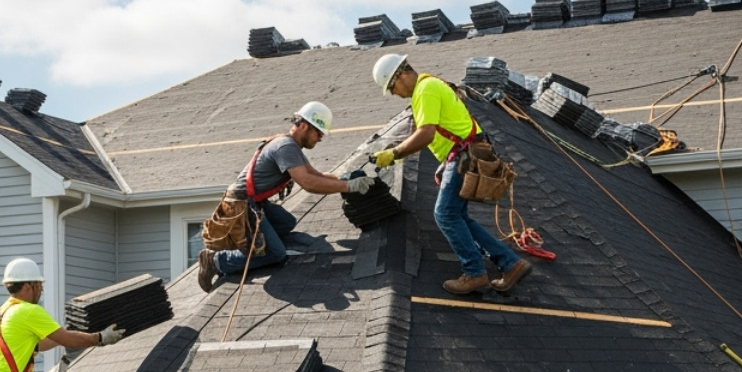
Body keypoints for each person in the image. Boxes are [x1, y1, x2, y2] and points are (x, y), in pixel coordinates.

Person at [369, 53, 531, 296]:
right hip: (464, 154)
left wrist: (394, 153)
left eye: (392, 86)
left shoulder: (425, 90)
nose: (393, 93)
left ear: (402, 74)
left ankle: (475, 273)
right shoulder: (429, 86)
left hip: (464, 156)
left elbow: (426, 134)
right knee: (458, 217)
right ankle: (510, 263)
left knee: (444, 214)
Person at [197, 101, 373, 292]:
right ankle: (216, 260)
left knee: (286, 222)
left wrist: (344, 177)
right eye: (319, 132)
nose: (320, 138)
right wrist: (348, 186)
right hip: (240, 206)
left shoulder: (292, 147)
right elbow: (308, 183)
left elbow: (317, 175)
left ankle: (256, 241)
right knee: (277, 254)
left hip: (254, 203)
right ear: (304, 125)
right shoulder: (285, 147)